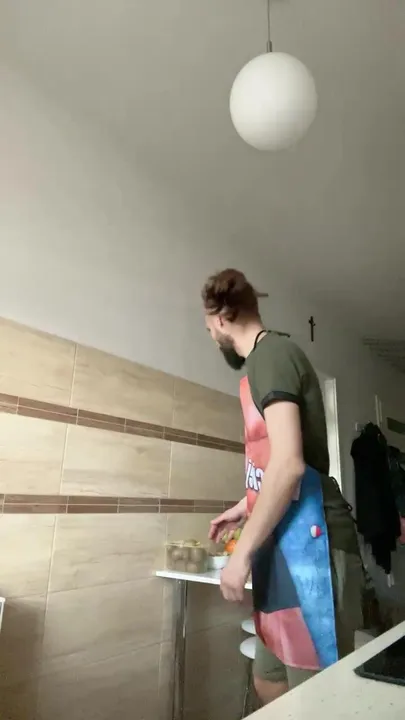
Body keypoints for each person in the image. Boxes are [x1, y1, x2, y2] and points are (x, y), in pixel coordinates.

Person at [202, 268, 364, 705]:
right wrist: (245, 504)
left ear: (221, 320)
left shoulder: (271, 355)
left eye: (209, 328)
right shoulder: (264, 361)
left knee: (319, 698)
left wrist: (241, 556)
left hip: (314, 546)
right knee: (269, 679)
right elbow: (280, 462)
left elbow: (289, 465)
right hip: (283, 546)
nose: (212, 337)